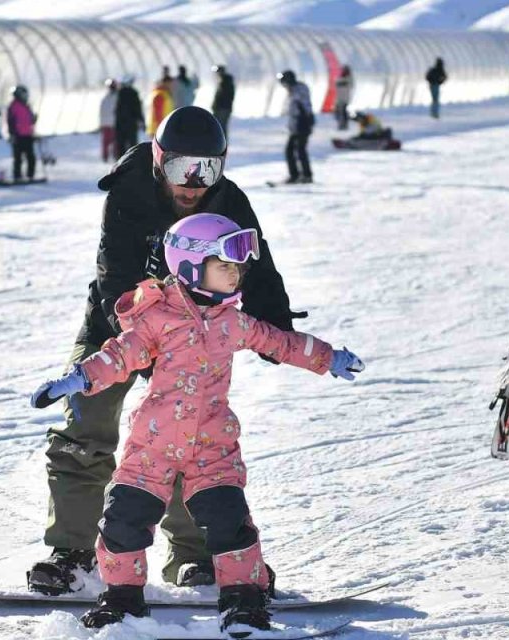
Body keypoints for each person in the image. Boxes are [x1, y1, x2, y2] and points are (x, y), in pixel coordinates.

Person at [30, 213, 365, 635]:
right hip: (152, 443)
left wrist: (327, 357)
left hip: (213, 444)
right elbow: (120, 354)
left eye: (238, 266)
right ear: (189, 265)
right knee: (123, 521)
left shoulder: (233, 321)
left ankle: (244, 601)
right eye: (224, 265)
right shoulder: (156, 319)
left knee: (230, 522)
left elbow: (280, 342)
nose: (235, 273)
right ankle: (121, 599)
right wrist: (78, 378)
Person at [25, 106, 306, 596]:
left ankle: (194, 558)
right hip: (117, 325)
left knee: (188, 437)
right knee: (84, 425)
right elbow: (114, 272)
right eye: (181, 169)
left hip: (192, 335)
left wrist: (275, 329)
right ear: (159, 161)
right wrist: (142, 342)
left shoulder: (229, 201)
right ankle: (71, 553)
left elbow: (258, 268)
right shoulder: (129, 192)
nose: (194, 183)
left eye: (207, 170)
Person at [278, 70, 314, 184]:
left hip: (302, 124)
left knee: (300, 150)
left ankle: (305, 175)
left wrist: (301, 124)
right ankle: (296, 175)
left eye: (285, 83)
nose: (284, 86)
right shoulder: (295, 90)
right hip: (297, 124)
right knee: (291, 150)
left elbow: (302, 109)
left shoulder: (299, 90)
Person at [6, 85, 38, 182]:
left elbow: (30, 120)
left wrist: (34, 119)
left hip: (27, 135)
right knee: (18, 158)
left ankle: (30, 175)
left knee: (30, 157)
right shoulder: (13, 106)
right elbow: (10, 122)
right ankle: (17, 175)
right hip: (18, 136)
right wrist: (11, 134)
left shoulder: (27, 106)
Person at [114, 75, 145, 157]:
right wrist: (142, 120)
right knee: (132, 144)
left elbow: (117, 109)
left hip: (120, 123)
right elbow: (137, 109)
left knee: (121, 144)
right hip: (131, 123)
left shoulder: (119, 93)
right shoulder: (134, 93)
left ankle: (120, 160)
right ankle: (132, 159)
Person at [211, 64, 235, 137]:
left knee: (221, 126)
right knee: (221, 126)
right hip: (223, 108)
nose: (216, 74)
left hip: (223, 108)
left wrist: (216, 106)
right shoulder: (224, 82)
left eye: (218, 72)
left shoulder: (225, 83)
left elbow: (222, 97)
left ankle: (222, 143)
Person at [100, 78, 119, 162]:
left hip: (106, 123)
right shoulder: (117, 97)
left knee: (106, 142)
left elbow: (102, 111)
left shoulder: (105, 98)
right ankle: (114, 155)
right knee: (114, 141)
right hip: (113, 123)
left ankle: (106, 156)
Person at [334, 65, 354, 130]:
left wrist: (341, 82)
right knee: (339, 112)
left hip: (344, 99)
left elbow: (349, 84)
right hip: (340, 98)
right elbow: (337, 83)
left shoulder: (348, 78)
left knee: (343, 112)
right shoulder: (342, 78)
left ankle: (344, 125)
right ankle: (341, 124)